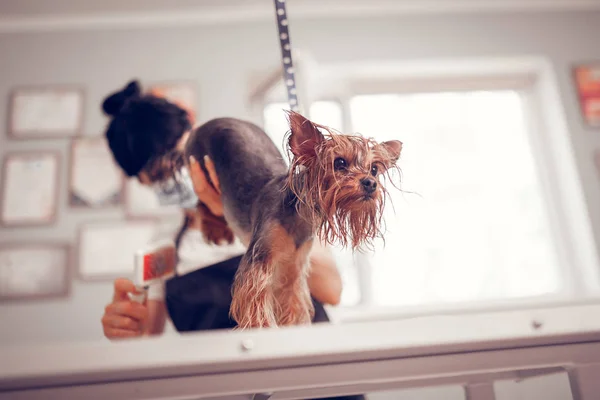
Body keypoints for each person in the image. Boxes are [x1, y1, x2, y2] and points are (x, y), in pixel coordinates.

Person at [100, 80, 343, 338]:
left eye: (181, 158)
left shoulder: (282, 204)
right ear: (142, 182)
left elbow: (331, 290)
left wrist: (235, 219)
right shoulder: (164, 249)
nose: (180, 173)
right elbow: (147, 337)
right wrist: (126, 328)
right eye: (160, 173)